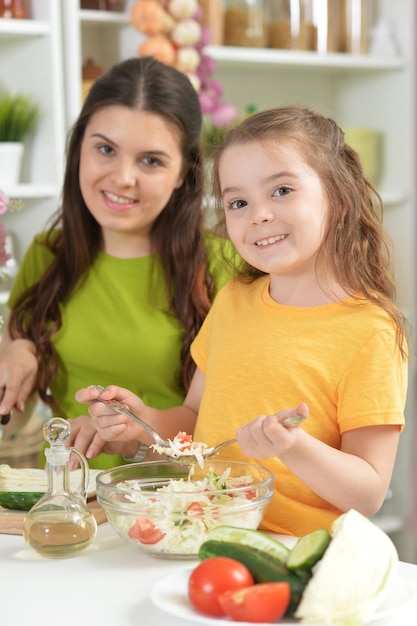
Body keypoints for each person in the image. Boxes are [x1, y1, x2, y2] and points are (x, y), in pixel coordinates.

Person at [76, 105, 408, 536]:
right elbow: (195, 422)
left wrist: (293, 447)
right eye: (238, 201)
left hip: (290, 554)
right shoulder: (235, 299)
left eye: (282, 190)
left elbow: (367, 492)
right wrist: (142, 422)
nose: (259, 214)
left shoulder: (370, 331)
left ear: (340, 197)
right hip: (200, 534)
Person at [0, 56, 234, 469]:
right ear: (80, 150)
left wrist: (133, 439)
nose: (123, 177)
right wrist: (18, 347)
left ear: (183, 172)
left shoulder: (225, 266)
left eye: (151, 160)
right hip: (68, 503)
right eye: (106, 149)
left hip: (179, 507)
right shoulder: (48, 255)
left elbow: (236, 427)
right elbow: (15, 415)